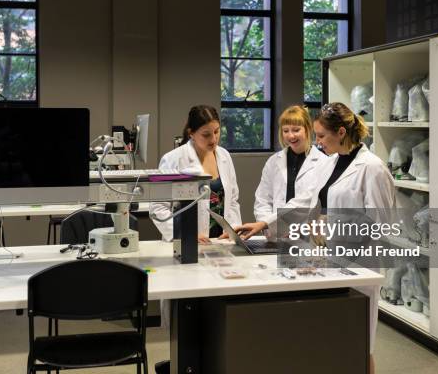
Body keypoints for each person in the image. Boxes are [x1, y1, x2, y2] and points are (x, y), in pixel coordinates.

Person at [237, 102, 395, 373]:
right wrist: (265, 222)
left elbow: (383, 225)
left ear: (342, 132)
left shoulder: (373, 168)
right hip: (329, 262)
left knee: (361, 342)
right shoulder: (331, 162)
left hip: (360, 267)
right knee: (334, 339)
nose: (318, 142)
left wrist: (333, 228)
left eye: (321, 136)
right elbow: (304, 202)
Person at [150, 105, 241, 243]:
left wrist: (232, 229)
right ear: (191, 133)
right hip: (187, 242)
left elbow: (232, 201)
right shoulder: (173, 159)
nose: (213, 139)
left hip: (221, 241)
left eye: (216, 132)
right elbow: (158, 207)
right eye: (206, 135)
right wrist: (185, 234)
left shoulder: (224, 156)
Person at [253, 105, 327, 235]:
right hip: (276, 235)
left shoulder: (323, 162)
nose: (290, 135)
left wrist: (266, 222)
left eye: (296, 130)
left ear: (308, 129)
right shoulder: (273, 161)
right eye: (285, 130)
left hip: (307, 234)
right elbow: (263, 200)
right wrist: (267, 226)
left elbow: (305, 201)